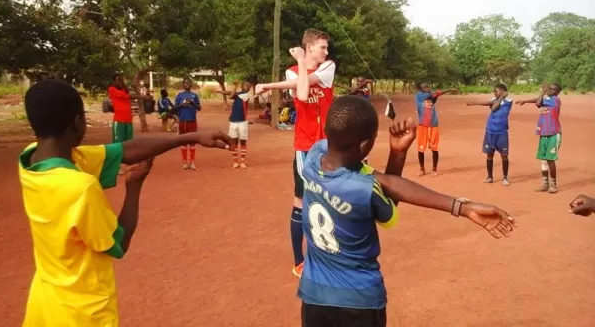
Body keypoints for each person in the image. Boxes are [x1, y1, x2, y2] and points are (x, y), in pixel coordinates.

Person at [19, 79, 230, 327]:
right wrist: (134, 187)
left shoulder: (32, 158)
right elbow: (118, 244)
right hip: (83, 313)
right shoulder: (79, 188)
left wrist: (189, 137)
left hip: (45, 305)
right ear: (77, 123)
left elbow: (123, 150)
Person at [298, 95, 517, 327]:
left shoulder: (314, 155)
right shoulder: (363, 190)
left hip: (314, 294)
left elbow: (379, 181)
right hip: (358, 300)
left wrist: (397, 152)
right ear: (364, 146)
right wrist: (461, 206)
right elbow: (388, 205)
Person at [255, 28, 336, 278]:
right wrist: (300, 65)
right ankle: (299, 260)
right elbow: (300, 91)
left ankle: (327, 254)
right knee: (302, 200)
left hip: (329, 144)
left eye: (326, 47)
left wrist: (269, 84)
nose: (326, 51)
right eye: (321, 47)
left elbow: (303, 87)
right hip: (305, 145)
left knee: (330, 199)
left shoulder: (328, 67)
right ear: (309, 47)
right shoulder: (293, 71)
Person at [516, 83, 562, 193]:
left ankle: (553, 185)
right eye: (549, 88)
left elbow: (538, 102)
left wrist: (543, 91)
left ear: (557, 92)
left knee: (550, 159)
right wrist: (525, 101)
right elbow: (538, 100)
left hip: (553, 133)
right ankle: (545, 184)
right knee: (544, 160)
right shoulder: (547, 99)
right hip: (544, 133)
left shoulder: (555, 100)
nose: (550, 91)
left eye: (552, 89)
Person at [466, 83, 513, 185]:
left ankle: (505, 178)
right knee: (489, 154)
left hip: (502, 132)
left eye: (496, 91)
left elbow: (494, 108)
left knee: (504, 156)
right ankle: (490, 177)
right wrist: (473, 103)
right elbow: (487, 103)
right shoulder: (494, 100)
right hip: (490, 131)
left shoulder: (508, 101)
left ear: (502, 91)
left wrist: (501, 97)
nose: (494, 93)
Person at [414, 82, 458, 177]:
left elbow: (435, 96)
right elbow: (435, 94)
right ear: (420, 89)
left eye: (427, 86)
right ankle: (422, 169)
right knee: (421, 149)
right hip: (423, 126)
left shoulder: (431, 96)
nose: (427, 88)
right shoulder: (419, 97)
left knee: (434, 148)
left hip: (433, 125)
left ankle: (434, 169)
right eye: (424, 87)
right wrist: (449, 89)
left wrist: (436, 93)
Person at [215, 80, 252, 169]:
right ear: (242, 86)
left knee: (243, 141)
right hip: (233, 122)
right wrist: (219, 91)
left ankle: (242, 161)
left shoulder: (245, 95)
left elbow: (231, 95)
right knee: (233, 142)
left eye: (248, 86)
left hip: (243, 122)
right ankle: (235, 161)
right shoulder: (239, 94)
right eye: (245, 85)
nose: (246, 87)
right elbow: (229, 93)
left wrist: (235, 86)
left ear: (249, 89)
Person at [107, 73, 151, 144]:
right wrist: (142, 97)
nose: (120, 82)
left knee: (128, 142)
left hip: (128, 120)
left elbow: (127, 93)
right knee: (118, 142)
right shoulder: (111, 89)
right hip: (119, 120)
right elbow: (127, 96)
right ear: (113, 81)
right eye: (118, 80)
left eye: (121, 80)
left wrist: (122, 82)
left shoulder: (123, 90)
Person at [175, 78, 202, 170]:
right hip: (182, 120)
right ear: (183, 85)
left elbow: (199, 108)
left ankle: (192, 162)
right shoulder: (179, 95)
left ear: (191, 85)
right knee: (183, 142)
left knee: (192, 142)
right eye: (185, 83)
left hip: (192, 120)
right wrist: (181, 105)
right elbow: (175, 108)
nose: (187, 84)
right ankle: (185, 162)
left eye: (188, 83)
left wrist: (192, 102)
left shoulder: (194, 95)